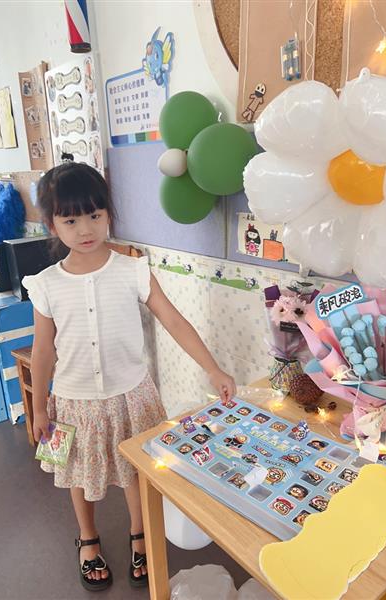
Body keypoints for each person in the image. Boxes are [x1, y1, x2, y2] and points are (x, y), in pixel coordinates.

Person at [23, 162, 236, 592]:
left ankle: (141, 534)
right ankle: (87, 538)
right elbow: (43, 350)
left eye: (95, 215)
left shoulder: (133, 270)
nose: (86, 229)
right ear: (52, 225)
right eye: (71, 220)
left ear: (109, 213)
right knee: (77, 474)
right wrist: (40, 408)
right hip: (72, 401)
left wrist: (212, 369)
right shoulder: (46, 284)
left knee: (136, 473)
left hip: (132, 396)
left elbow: (173, 321)